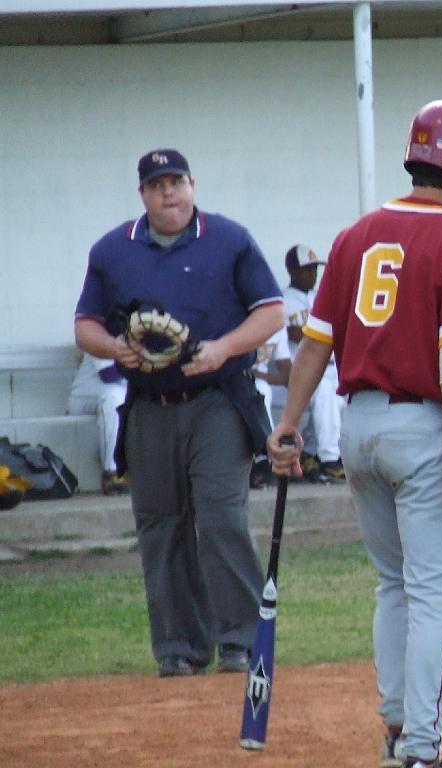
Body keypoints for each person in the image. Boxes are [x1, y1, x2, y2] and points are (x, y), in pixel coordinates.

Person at [266, 100, 442, 768]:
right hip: (422, 427)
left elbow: (315, 345)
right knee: (435, 595)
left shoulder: (354, 235)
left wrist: (288, 424)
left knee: (394, 584)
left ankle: (398, 732)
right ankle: (421, 749)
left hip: (359, 425)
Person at [73, 148, 285, 678]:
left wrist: (224, 347)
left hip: (217, 397)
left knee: (220, 517)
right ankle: (179, 647)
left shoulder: (228, 239)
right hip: (149, 404)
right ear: (142, 194)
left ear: (193, 184)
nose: (168, 192)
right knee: (160, 525)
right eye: (156, 184)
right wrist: (112, 347)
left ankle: (238, 641)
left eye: (176, 181)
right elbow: (86, 324)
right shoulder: (112, 249)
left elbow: (272, 312)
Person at [280, 244, 346, 483]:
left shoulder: (321, 297)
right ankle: (330, 460)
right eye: (307, 269)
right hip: (298, 371)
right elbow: (298, 335)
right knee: (326, 394)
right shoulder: (283, 301)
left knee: (349, 394)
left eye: (314, 269)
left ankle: (311, 452)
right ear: (293, 271)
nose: (313, 274)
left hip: (330, 367)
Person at [67, 352, 129, 494]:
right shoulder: (104, 331)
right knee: (115, 398)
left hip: (119, 391)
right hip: (84, 396)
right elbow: (108, 374)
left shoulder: (149, 335)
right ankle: (112, 472)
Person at [250, 324, 291, 489]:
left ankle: (265, 457)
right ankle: (263, 456)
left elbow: (288, 376)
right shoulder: (240, 317)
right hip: (229, 382)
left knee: (262, 388)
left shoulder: (277, 326)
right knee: (260, 390)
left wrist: (259, 375)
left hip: (257, 379)